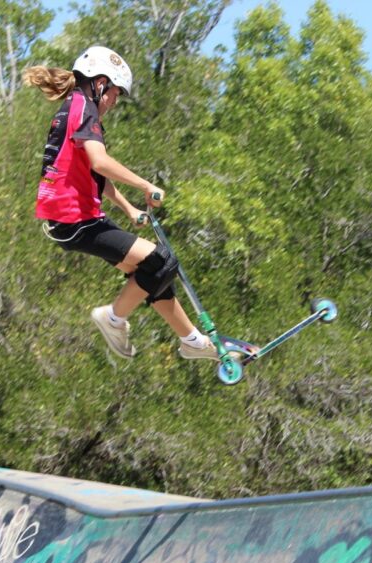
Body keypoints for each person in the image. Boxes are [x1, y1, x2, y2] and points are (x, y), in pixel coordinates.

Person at [24, 46, 216, 362]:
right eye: (115, 93)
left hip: (75, 219)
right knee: (161, 261)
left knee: (152, 273)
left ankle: (193, 340)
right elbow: (100, 162)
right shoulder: (83, 109)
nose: (114, 102)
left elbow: (92, 173)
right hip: (74, 220)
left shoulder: (76, 108)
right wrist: (145, 184)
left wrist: (128, 207)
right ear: (101, 84)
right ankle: (113, 318)